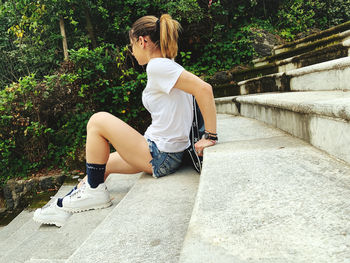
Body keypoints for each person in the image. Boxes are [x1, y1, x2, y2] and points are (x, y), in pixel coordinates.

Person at [33, 14, 218, 227]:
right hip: (164, 152)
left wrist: (210, 136)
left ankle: (93, 193)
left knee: (97, 120)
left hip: (161, 154)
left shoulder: (158, 66)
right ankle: (63, 206)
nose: (132, 51)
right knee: (103, 164)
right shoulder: (169, 66)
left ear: (143, 41)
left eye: (132, 45)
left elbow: (205, 89)